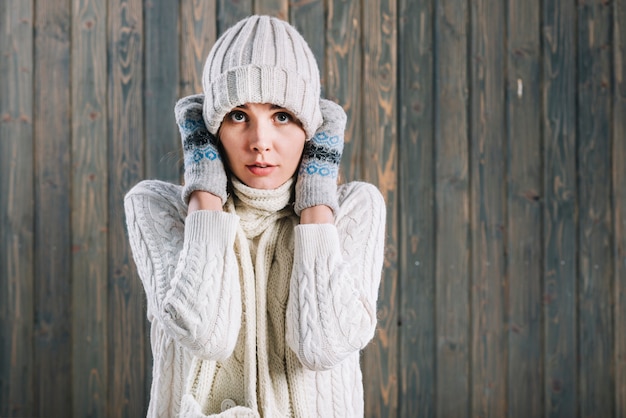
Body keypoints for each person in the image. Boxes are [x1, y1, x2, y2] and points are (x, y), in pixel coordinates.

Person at [124, 15, 385, 418]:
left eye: (282, 116)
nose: (260, 142)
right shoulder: (158, 207)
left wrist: (317, 201)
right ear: (211, 132)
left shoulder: (357, 208)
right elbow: (205, 333)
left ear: (311, 130)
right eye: (238, 116)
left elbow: (325, 346)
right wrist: (205, 190)